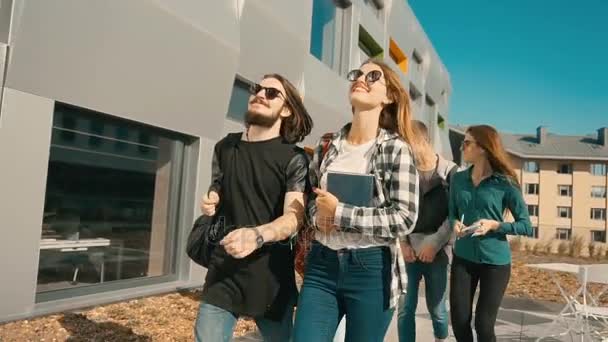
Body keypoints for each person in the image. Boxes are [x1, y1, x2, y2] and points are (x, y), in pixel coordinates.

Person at [293, 59, 420, 342]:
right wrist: (318, 217)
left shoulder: (395, 150)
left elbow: (404, 218)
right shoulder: (327, 144)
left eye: (373, 75)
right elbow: (311, 198)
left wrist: (340, 213)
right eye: (357, 74)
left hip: (371, 270)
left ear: (388, 97)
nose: (361, 78)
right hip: (321, 266)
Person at [194, 73, 313, 342]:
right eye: (258, 88)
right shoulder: (225, 146)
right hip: (223, 270)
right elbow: (219, 185)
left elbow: (293, 218)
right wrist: (212, 197)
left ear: (285, 110)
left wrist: (257, 235)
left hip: (269, 275)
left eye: (272, 93)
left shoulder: (294, 158)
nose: (260, 94)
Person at [449, 125, 532, 342]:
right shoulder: (458, 179)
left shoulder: (505, 183)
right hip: (463, 258)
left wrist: (496, 225)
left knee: (484, 326)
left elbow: (526, 225)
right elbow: (452, 213)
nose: (462, 147)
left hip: (495, 264)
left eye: (467, 143)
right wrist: (455, 223)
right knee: (458, 321)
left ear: (483, 148)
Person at [397, 120, 457, 342]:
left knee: (438, 311)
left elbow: (454, 216)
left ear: (423, 141)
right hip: (408, 251)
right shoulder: (404, 169)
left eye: (407, 142)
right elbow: (396, 208)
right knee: (405, 309)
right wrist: (402, 243)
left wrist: (434, 244)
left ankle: (441, 339)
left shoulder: (450, 172)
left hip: (438, 251)